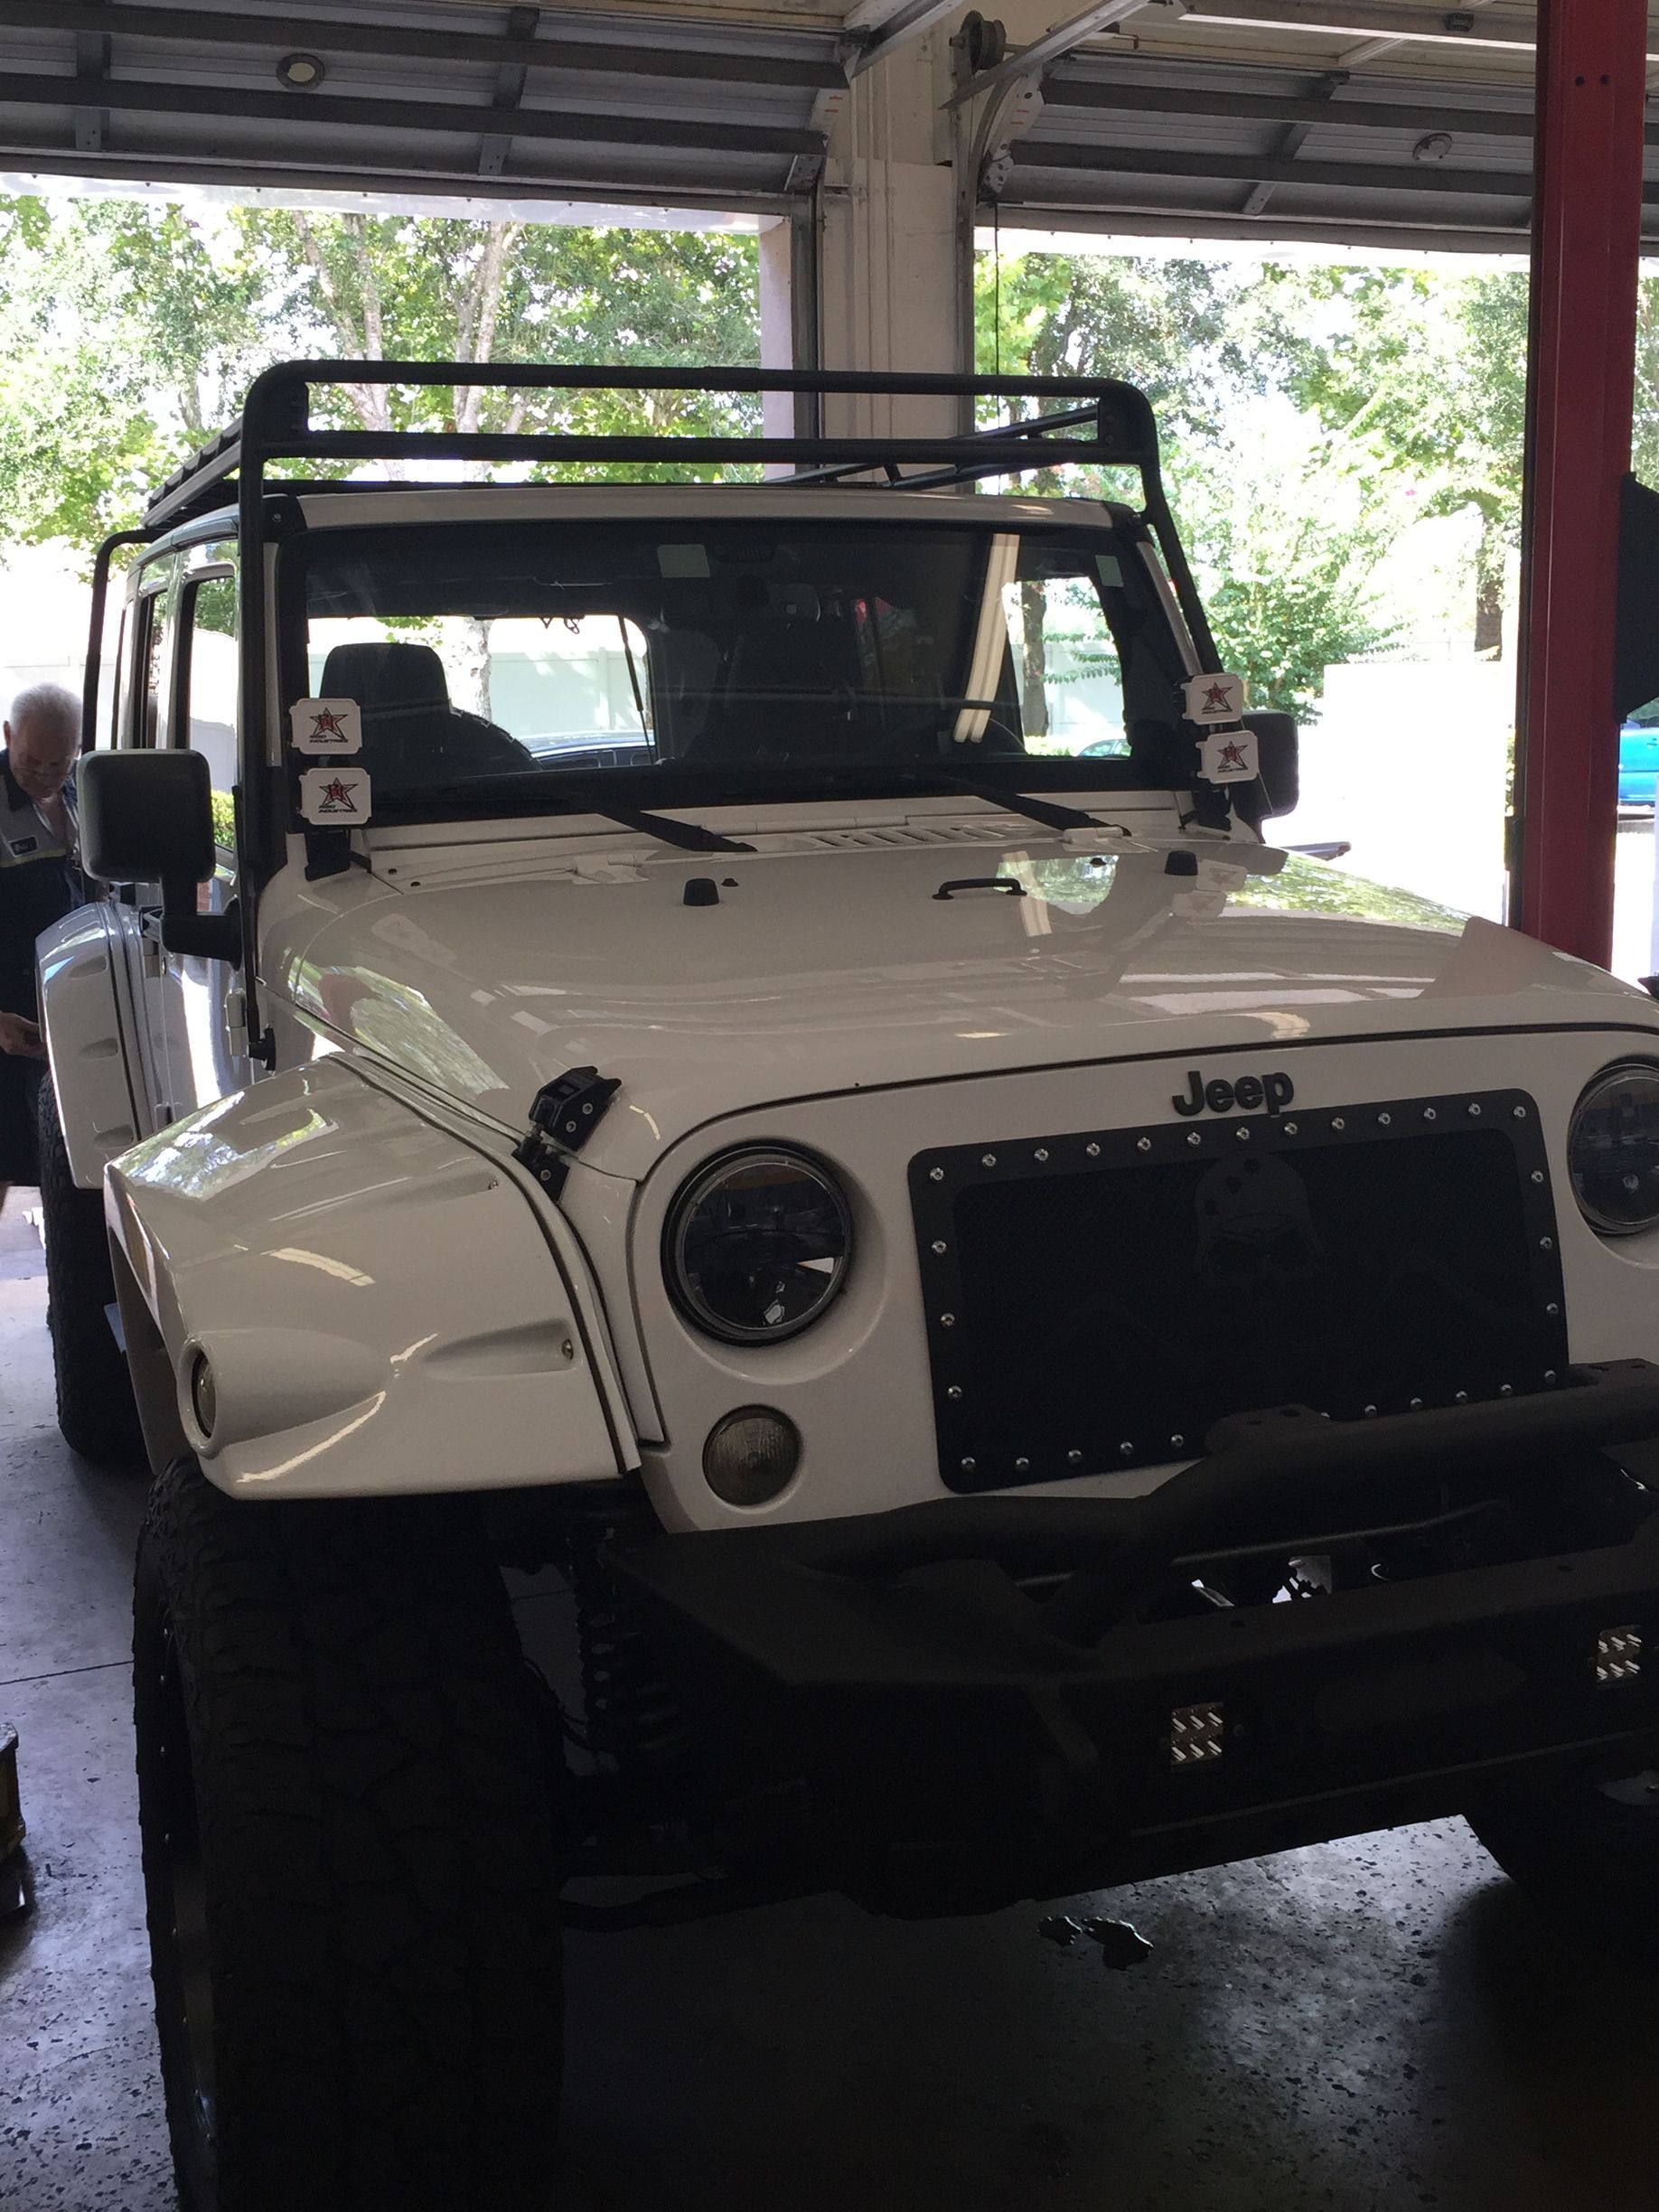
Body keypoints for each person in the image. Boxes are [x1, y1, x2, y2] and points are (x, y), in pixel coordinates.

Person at [0, 682, 83, 1211]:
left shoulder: (82, 790)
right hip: (9, 1023)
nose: (46, 777)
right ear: (7, 736)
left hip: (69, 1017)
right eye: (31, 762)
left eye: (60, 763)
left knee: (62, 1165)